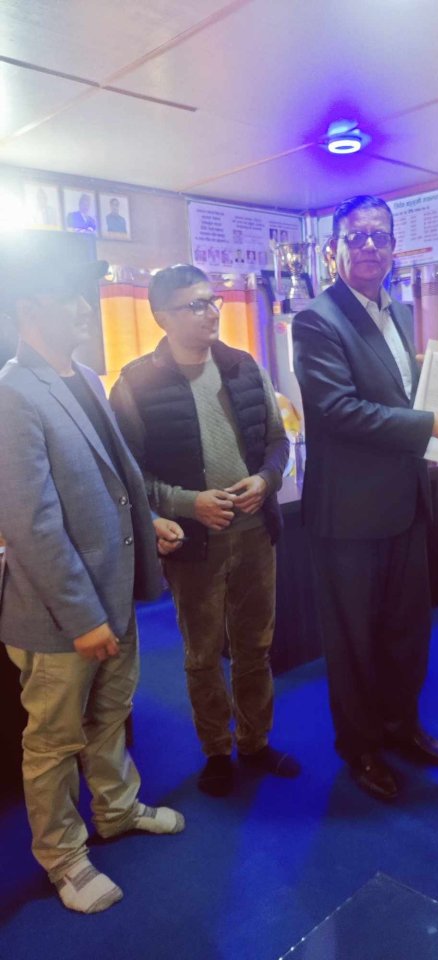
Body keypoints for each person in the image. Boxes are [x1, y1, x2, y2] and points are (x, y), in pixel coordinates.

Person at [0, 247, 186, 914]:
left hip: (114, 590)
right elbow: (32, 525)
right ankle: (63, 858)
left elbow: (108, 479)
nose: (85, 308)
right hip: (59, 615)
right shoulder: (12, 393)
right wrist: (83, 618)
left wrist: (149, 520)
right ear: (29, 309)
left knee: (110, 714)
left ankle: (116, 808)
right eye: (68, 297)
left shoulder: (80, 374)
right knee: (54, 741)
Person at [292, 195, 438, 801]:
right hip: (348, 513)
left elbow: (401, 394)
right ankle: (362, 749)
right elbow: (340, 410)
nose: (369, 246)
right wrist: (433, 423)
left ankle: (403, 727)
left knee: (407, 631)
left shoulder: (399, 313)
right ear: (335, 250)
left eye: (380, 236)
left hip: (404, 503)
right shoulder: (317, 320)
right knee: (354, 642)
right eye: (357, 237)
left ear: (395, 248)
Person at [110, 264, 298, 797]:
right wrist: (188, 503)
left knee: (255, 646)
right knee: (202, 654)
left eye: (212, 300)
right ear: (161, 317)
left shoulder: (243, 366)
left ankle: (255, 742)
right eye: (194, 305)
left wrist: (266, 480)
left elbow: (278, 442)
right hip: (193, 543)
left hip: (255, 531)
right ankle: (216, 749)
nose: (210, 312)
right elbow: (127, 475)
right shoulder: (135, 384)